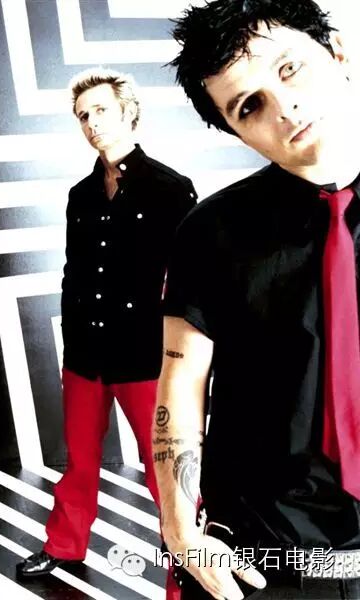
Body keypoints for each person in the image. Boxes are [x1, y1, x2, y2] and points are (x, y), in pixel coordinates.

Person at [156, 1, 360, 598]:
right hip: (262, 559)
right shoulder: (209, 232)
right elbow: (181, 381)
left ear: (339, 54)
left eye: (290, 69)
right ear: (235, 130)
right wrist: (180, 530)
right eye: (249, 106)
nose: (284, 108)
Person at [16, 69, 197, 583]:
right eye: (83, 116)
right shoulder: (81, 194)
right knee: (79, 460)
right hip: (85, 354)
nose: (91, 122)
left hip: (144, 355)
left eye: (100, 110)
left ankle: (189, 556)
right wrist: (72, 333)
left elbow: (190, 281)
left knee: (165, 464)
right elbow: (74, 270)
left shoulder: (171, 188)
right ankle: (64, 545)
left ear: (128, 112)